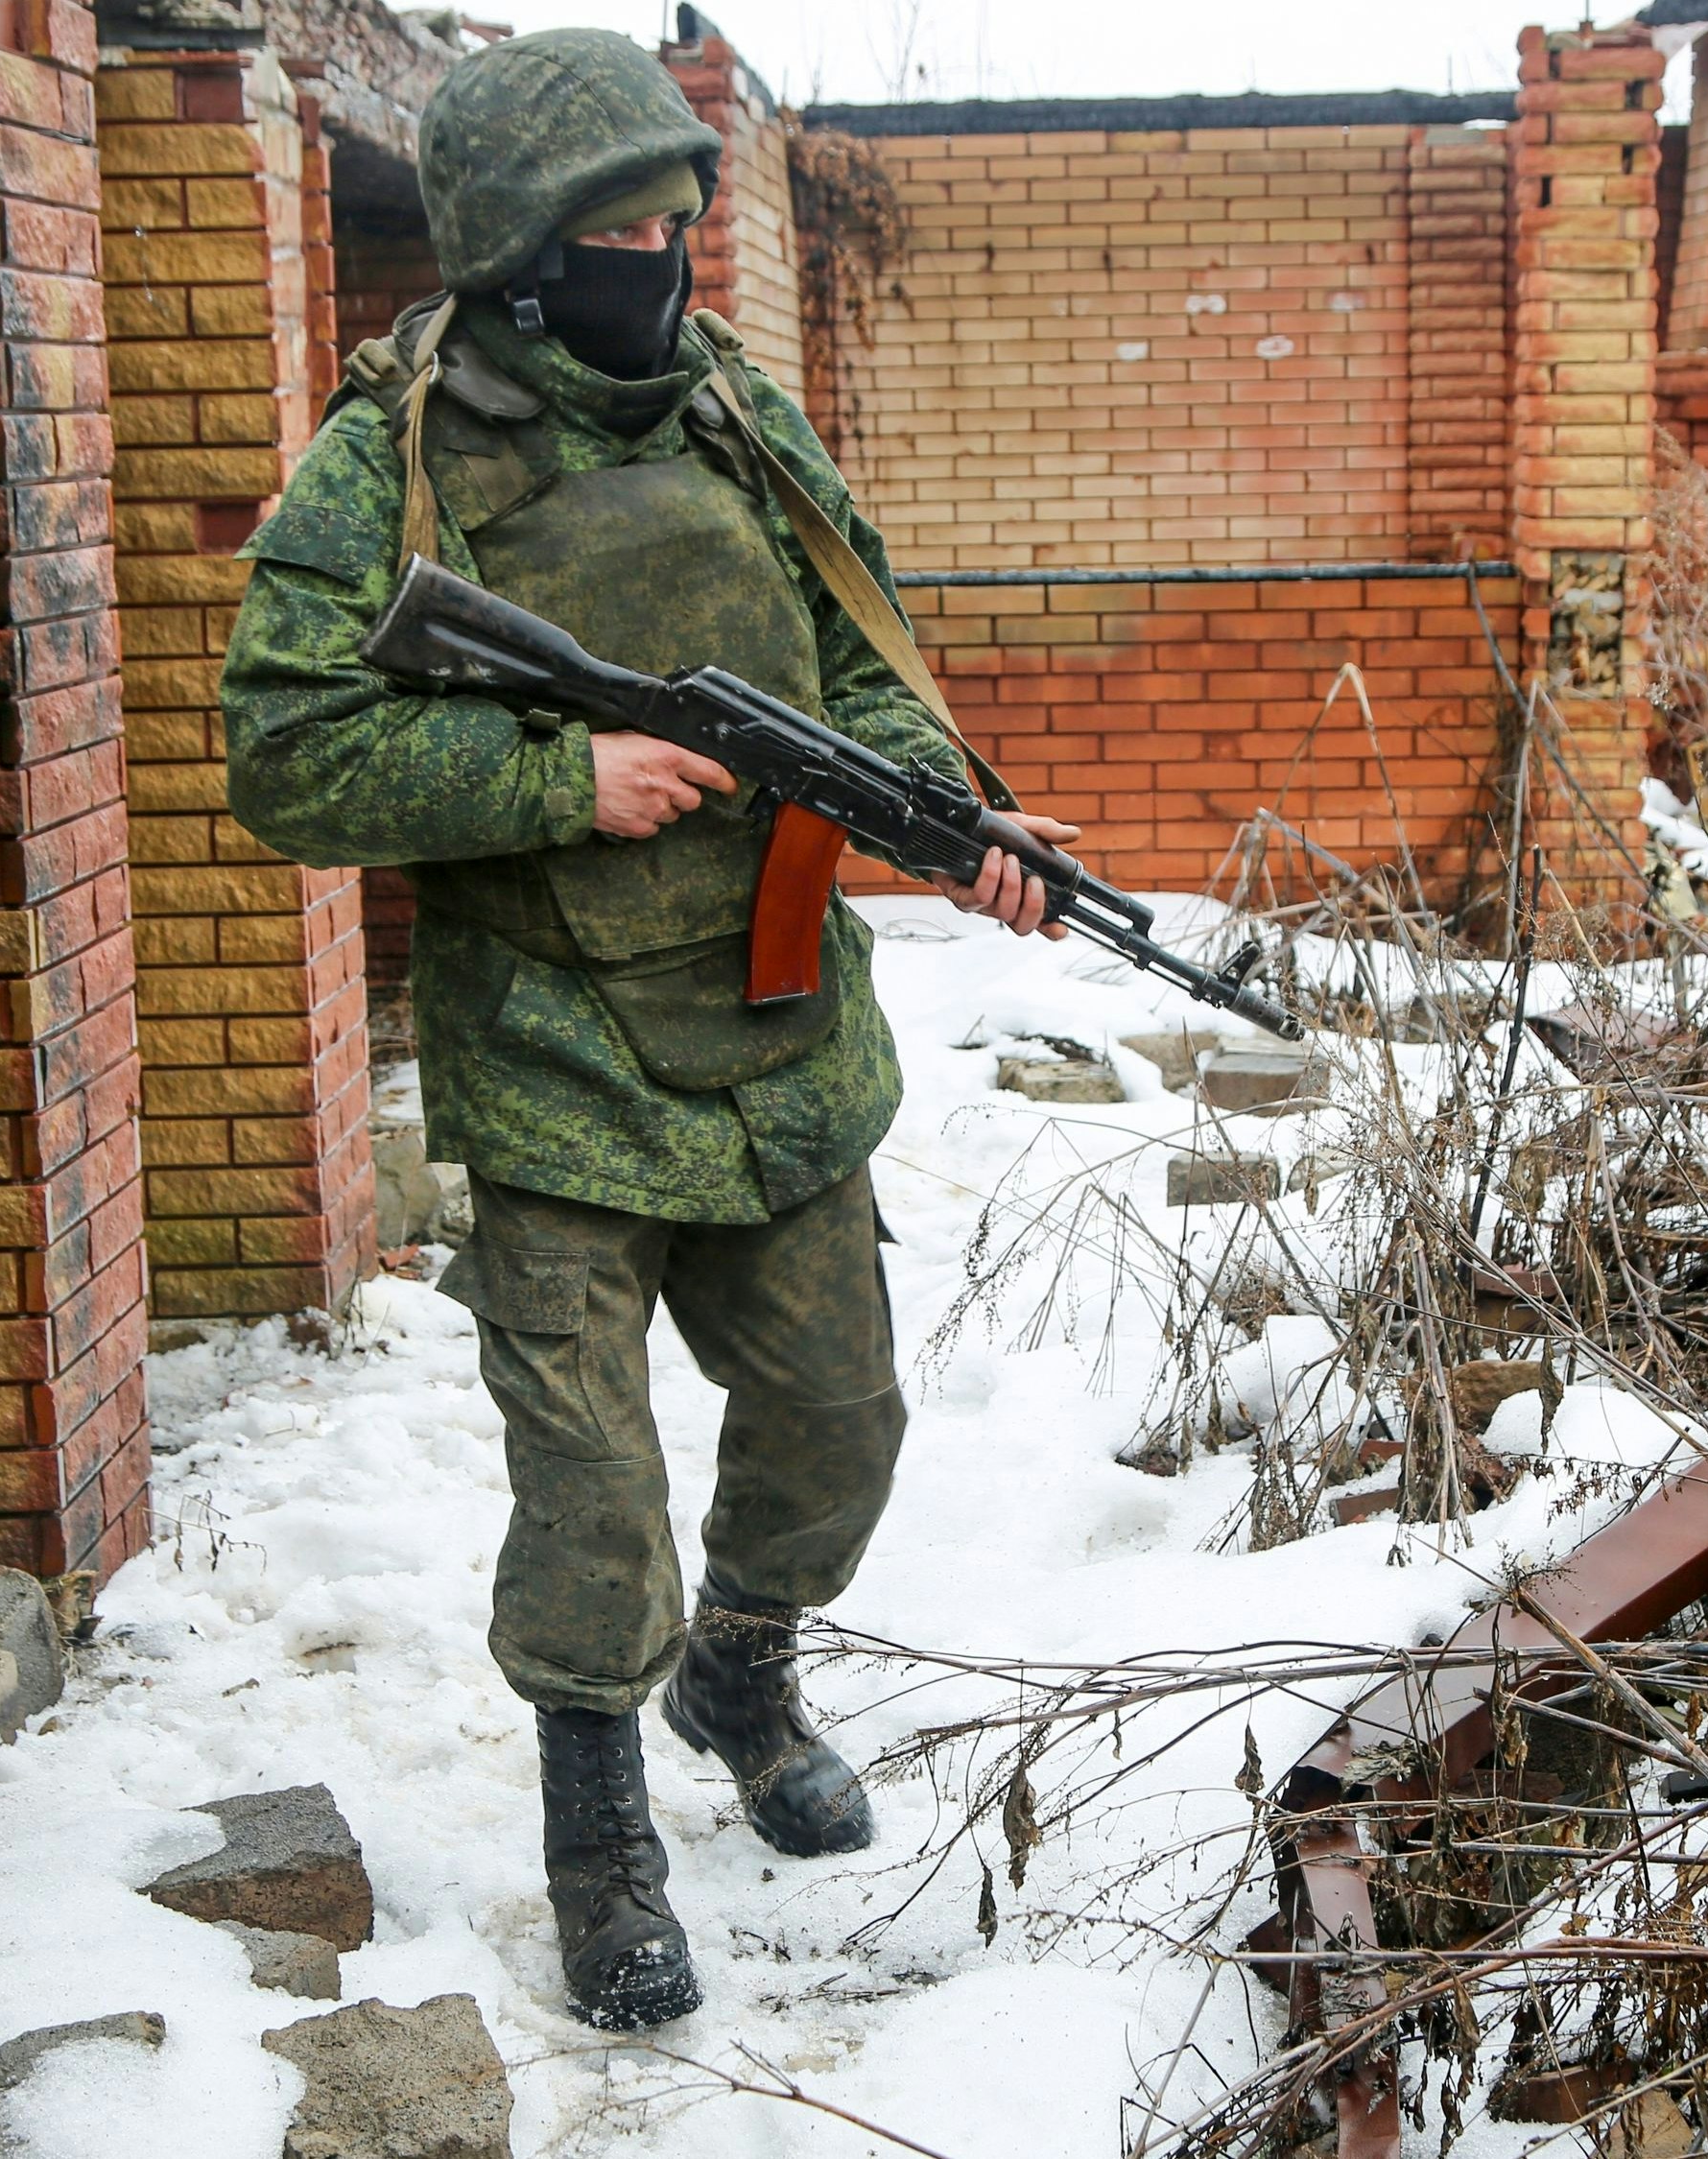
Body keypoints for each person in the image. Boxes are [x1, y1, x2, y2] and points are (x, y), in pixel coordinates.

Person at [217, 27, 1074, 2032]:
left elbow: (861, 672)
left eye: (674, 224)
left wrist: (954, 818)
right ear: (519, 250)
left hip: (778, 1047)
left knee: (838, 1430)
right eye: (615, 232)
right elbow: (281, 752)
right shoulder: (392, 459)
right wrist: (555, 779)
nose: (659, 261)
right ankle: (595, 1820)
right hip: (558, 1071)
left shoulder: (738, 424)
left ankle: (743, 1673)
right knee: (588, 1491)